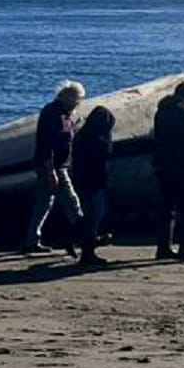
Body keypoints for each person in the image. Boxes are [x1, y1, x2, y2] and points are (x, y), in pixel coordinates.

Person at [23, 81, 85, 255]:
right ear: (66, 96)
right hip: (52, 165)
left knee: (44, 203)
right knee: (71, 201)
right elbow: (47, 144)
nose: (78, 103)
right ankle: (84, 237)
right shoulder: (53, 114)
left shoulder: (65, 113)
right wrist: (51, 171)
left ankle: (32, 240)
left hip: (58, 165)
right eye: (76, 99)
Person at [151, 81, 184, 262]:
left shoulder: (161, 111)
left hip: (162, 166)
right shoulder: (181, 112)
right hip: (180, 167)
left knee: (167, 207)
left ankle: (163, 247)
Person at [69, 105, 115, 266]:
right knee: (94, 216)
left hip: (82, 181)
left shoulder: (82, 135)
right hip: (95, 182)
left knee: (88, 215)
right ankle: (87, 253)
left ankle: (75, 241)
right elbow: (105, 156)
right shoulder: (99, 140)